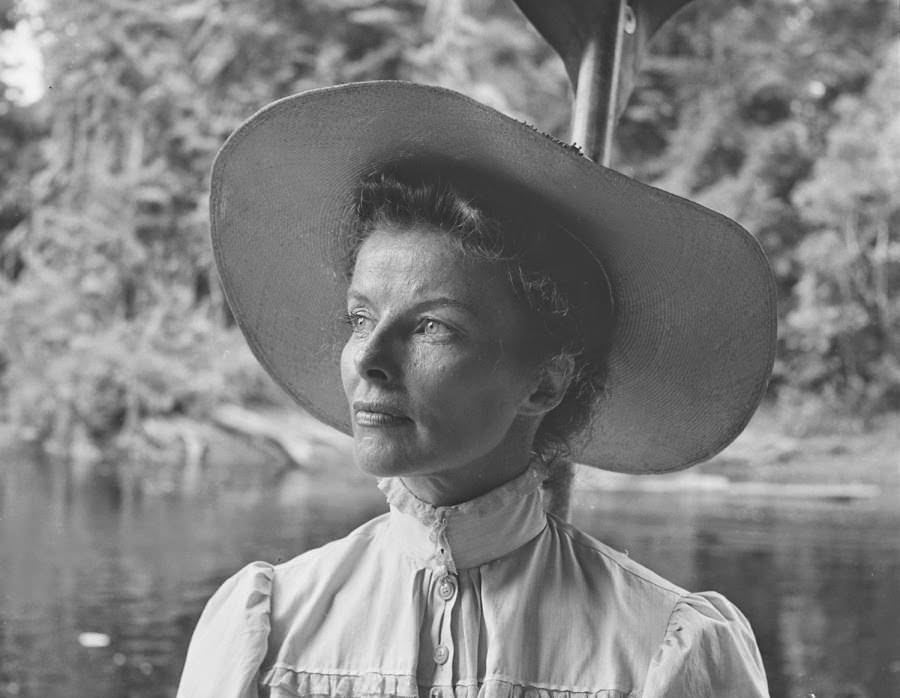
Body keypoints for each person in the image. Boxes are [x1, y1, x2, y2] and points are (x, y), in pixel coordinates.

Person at [177, 82, 775, 697]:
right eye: (360, 318)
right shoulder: (271, 630)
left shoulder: (660, 651)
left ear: (544, 382)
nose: (370, 360)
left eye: (433, 326)